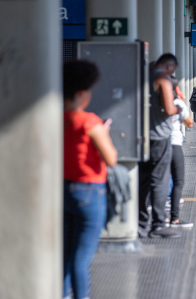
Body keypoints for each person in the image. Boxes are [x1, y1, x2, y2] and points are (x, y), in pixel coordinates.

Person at [63, 60, 118, 299]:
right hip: (89, 191)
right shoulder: (90, 122)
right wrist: (104, 133)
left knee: (65, 254)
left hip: (62, 190)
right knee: (81, 257)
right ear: (81, 93)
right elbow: (111, 158)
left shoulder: (54, 118)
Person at [138, 53, 182, 238]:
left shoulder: (141, 75)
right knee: (160, 181)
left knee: (142, 182)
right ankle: (158, 224)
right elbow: (169, 109)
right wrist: (179, 107)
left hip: (141, 136)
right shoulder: (162, 78)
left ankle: (139, 223)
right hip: (159, 136)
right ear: (169, 66)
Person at [168, 78, 194, 227]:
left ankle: (157, 219)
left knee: (157, 180)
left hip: (156, 144)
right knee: (178, 180)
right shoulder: (177, 103)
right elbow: (189, 123)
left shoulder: (152, 100)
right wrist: (182, 101)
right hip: (173, 144)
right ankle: (174, 218)